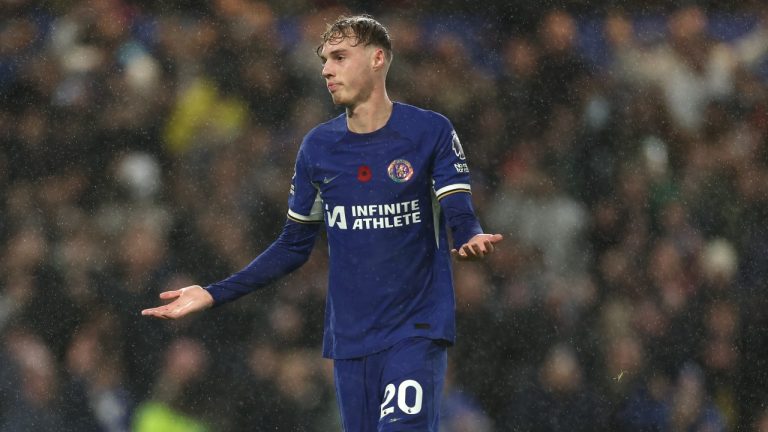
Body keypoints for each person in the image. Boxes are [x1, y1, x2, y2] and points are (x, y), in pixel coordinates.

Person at [142, 14, 503, 431]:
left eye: (339, 57)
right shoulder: (319, 148)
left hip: (414, 329)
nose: (326, 69)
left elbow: (457, 204)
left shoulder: (430, 131)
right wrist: (213, 292)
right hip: (350, 337)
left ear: (378, 59)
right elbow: (293, 246)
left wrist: (470, 234)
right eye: (324, 59)